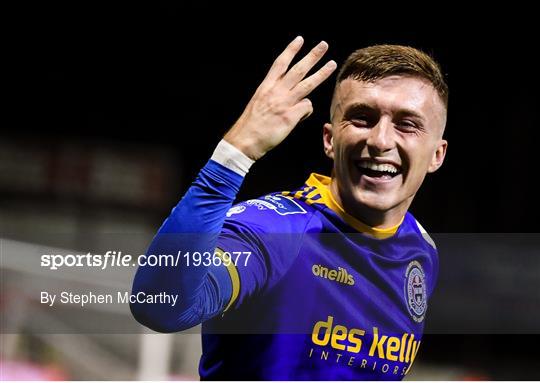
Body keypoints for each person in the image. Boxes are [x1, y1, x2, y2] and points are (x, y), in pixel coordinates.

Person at [131, 36, 448, 380]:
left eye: (407, 124)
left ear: (437, 154)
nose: (381, 140)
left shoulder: (421, 250)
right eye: (361, 118)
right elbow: (161, 307)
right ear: (330, 139)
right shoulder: (275, 231)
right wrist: (234, 155)